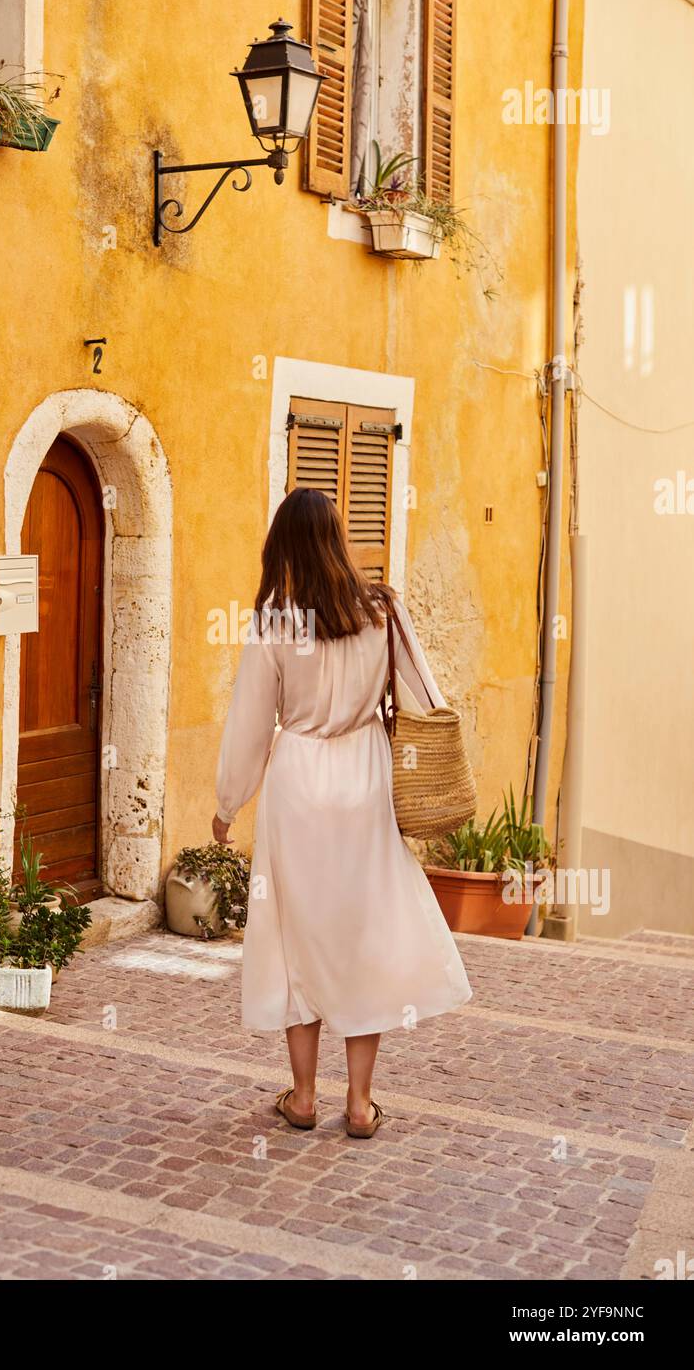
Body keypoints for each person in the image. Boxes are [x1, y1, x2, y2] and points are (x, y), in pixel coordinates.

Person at [213, 488, 472, 1139]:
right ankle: (359, 1104)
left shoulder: (274, 622)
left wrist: (225, 806)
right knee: (364, 938)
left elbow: (249, 725)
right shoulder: (382, 609)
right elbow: (428, 694)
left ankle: (303, 1098)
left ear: (283, 547)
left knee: (295, 937)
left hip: (296, 783)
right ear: (339, 539)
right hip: (367, 782)